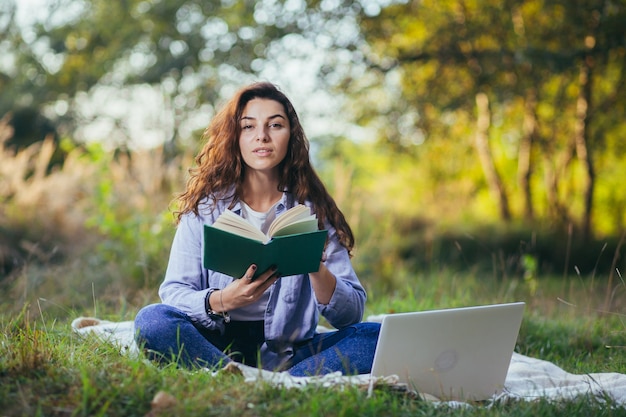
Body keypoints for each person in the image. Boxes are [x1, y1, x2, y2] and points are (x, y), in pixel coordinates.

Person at [134, 82, 380, 376]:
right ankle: (253, 379)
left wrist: (316, 267)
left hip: (292, 353)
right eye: (248, 126)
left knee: (374, 336)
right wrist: (224, 299)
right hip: (214, 344)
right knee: (152, 320)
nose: (262, 136)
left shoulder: (315, 213)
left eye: (275, 125)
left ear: (291, 136)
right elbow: (174, 292)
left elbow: (351, 315)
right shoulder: (205, 209)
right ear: (234, 137)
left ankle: (274, 380)